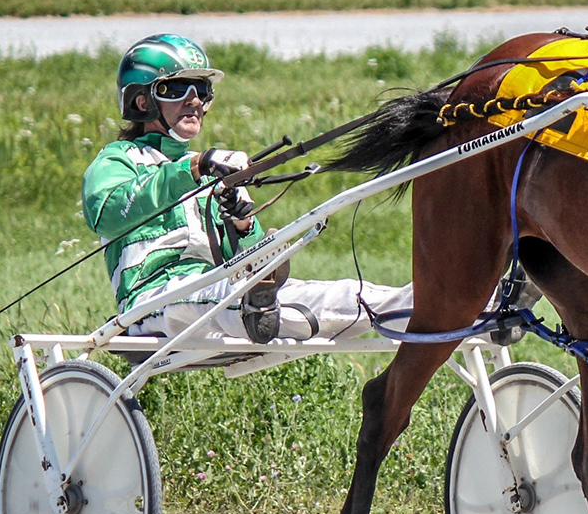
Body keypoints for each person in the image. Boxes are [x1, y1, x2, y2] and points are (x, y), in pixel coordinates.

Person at [83, 33, 412, 343]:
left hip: (222, 292)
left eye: (201, 90)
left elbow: (240, 260)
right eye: (178, 89)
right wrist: (194, 167)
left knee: (342, 295)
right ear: (141, 102)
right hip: (151, 302)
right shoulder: (117, 160)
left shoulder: (209, 170)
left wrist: (242, 226)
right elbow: (107, 215)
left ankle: (423, 303)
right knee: (223, 296)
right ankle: (254, 306)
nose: (194, 100)